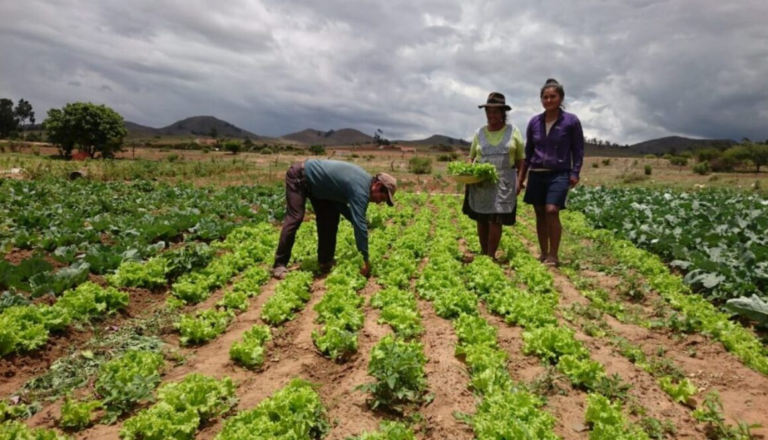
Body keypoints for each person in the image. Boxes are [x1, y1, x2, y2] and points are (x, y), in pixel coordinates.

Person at [272, 159, 397, 279]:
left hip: (319, 189)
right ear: (378, 185)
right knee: (296, 217)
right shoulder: (361, 189)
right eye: (382, 198)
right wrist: (364, 259)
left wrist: (354, 220)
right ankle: (279, 265)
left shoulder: (362, 184)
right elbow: (359, 225)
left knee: (330, 219)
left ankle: (325, 261)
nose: (379, 202)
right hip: (300, 177)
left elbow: (340, 205)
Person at [518, 78, 584, 266]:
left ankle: (554, 255)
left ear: (560, 98)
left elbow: (578, 149)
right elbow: (529, 151)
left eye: (552, 96)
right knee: (539, 212)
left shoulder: (571, 121)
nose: (548, 100)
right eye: (545, 97)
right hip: (537, 172)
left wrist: (575, 172)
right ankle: (544, 252)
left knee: (552, 210)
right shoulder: (534, 122)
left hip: (559, 173)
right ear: (541, 99)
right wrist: (521, 178)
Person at [462, 92, 525, 259]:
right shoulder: (479, 133)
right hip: (481, 182)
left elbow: (520, 159)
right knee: (482, 217)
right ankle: (484, 253)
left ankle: (491, 255)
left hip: (504, 181)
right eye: (488, 111)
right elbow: (471, 156)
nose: (491, 115)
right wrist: (469, 173)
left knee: (497, 218)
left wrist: (520, 181)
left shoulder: (513, 132)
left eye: (496, 111)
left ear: (503, 112)